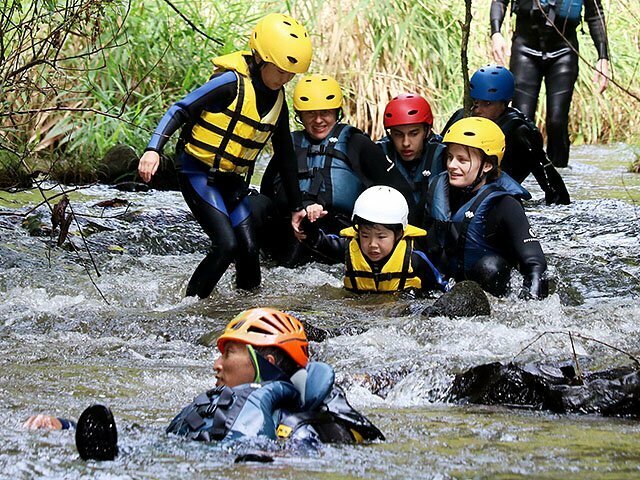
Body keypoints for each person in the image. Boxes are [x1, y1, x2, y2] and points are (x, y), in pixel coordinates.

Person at [23, 308, 385, 458]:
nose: (217, 365)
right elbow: (161, 441)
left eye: (229, 355)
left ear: (267, 363)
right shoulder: (217, 405)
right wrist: (64, 426)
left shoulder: (300, 425)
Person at [136, 13, 311, 298]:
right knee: (226, 245)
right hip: (197, 173)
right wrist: (153, 149)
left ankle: (246, 311)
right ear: (260, 58)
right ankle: (188, 308)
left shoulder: (278, 101)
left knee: (250, 250)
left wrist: (296, 207)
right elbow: (180, 109)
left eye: (290, 73)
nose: (285, 78)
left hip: (231, 182)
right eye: (280, 70)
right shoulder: (230, 83)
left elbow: (286, 156)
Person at [260, 74, 416, 265]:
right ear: (300, 116)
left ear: (336, 112)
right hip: (290, 232)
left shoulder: (356, 143)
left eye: (325, 112)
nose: (318, 120)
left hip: (339, 234)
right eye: (311, 114)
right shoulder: (288, 145)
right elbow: (266, 192)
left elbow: (401, 191)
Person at [423, 117, 548, 299]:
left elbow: (535, 264)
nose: (451, 165)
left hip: (488, 288)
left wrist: (533, 309)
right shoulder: (437, 190)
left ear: (487, 165)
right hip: (447, 287)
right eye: (450, 157)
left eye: (462, 160)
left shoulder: (505, 203)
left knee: (491, 266)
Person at [490, 0, 610, 168]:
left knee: (557, 120)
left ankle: (559, 178)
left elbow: (595, 14)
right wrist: (496, 33)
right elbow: (499, 2)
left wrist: (603, 57)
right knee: (521, 119)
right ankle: (517, 178)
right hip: (525, 48)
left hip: (564, 51)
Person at [443, 64, 570, 205]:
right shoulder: (462, 117)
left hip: (500, 190)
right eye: (476, 102)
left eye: (487, 104)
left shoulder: (520, 130)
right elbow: (437, 152)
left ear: (504, 104)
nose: (478, 110)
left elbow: (545, 172)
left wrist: (557, 204)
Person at [298, 186, 449, 294]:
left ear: (398, 234)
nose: (372, 244)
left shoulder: (414, 259)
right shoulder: (349, 248)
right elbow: (317, 241)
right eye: (365, 235)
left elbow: (440, 286)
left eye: (381, 237)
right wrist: (310, 221)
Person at [377, 93, 447, 215]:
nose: (405, 143)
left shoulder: (444, 155)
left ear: (427, 131)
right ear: (390, 134)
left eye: (414, 134)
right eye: (398, 134)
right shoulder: (379, 153)